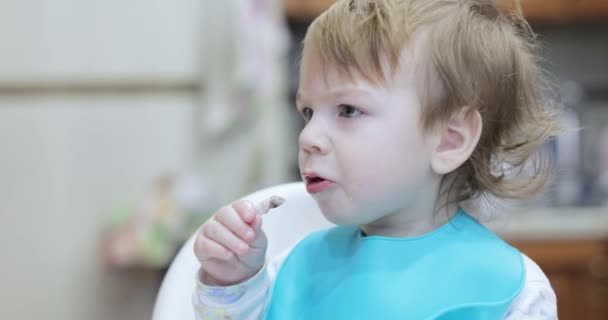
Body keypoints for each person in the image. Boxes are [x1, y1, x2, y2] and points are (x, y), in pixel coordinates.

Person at [192, 0, 560, 318]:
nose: (308, 137)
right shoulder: (292, 268)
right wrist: (231, 281)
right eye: (307, 112)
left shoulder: (512, 293)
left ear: (449, 140)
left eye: (348, 110)